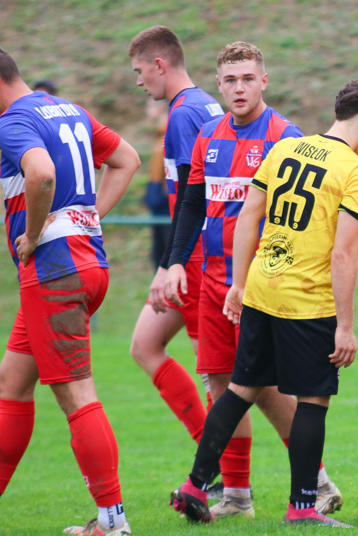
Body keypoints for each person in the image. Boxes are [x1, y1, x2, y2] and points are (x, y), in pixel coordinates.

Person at [170, 76, 358, 527]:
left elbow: (248, 216)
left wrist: (238, 284)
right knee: (313, 400)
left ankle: (195, 485)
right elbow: (343, 251)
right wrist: (346, 326)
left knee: (240, 389)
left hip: (260, 287)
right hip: (307, 301)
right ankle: (302, 508)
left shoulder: (285, 148)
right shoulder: (355, 172)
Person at [0, 43, 141, 536]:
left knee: (77, 395)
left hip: (54, 273)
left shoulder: (11, 121)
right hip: (85, 265)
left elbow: (41, 175)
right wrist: (89, 216)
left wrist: (34, 235)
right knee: (13, 380)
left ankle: (112, 520)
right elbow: (126, 158)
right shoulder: (69, 110)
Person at [128, 24, 225, 500]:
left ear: (160, 65)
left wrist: (172, 263)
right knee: (146, 345)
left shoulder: (184, 114)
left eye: (140, 71)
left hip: (197, 262)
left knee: (223, 378)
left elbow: (193, 198)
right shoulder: (205, 102)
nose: (139, 81)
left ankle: (225, 480)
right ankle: (217, 470)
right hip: (195, 258)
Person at [143, 98, 171, 269]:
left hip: (166, 203)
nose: (147, 110)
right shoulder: (159, 135)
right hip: (158, 201)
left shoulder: (168, 136)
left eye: (149, 105)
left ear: (160, 107)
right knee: (158, 254)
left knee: (165, 254)